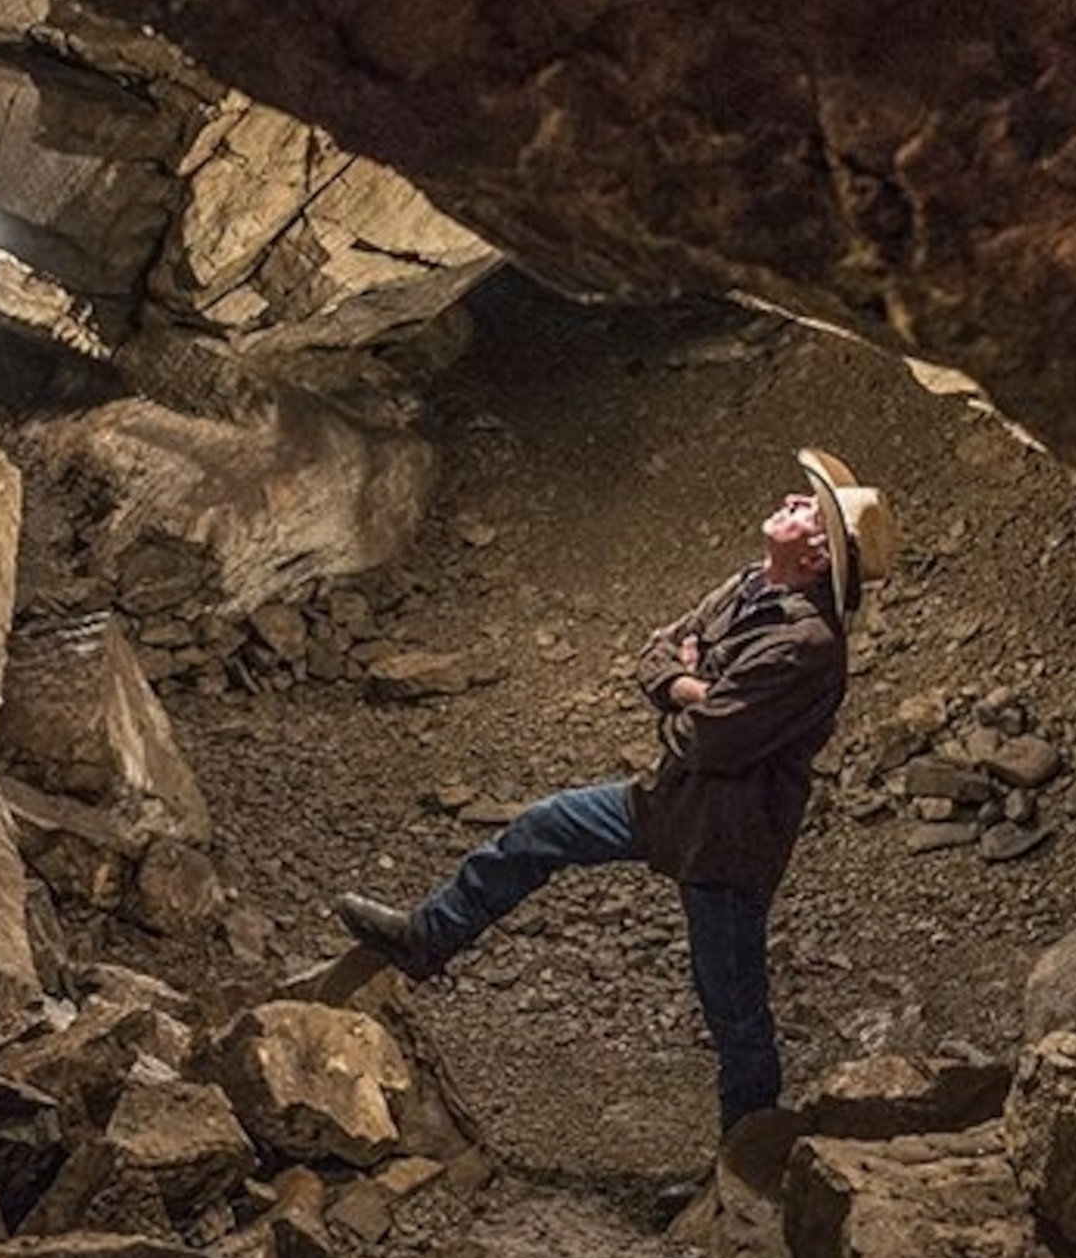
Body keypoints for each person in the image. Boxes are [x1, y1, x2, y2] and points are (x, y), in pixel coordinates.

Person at [333, 449, 897, 1139]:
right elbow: (658, 650)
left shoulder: (808, 644)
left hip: (726, 837)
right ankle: (429, 936)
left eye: (809, 507)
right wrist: (692, 684)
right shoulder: (751, 583)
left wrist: (692, 689)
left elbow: (708, 740)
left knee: (734, 1007)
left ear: (816, 555)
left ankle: (750, 1159)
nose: (792, 498)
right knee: (545, 826)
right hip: (672, 801)